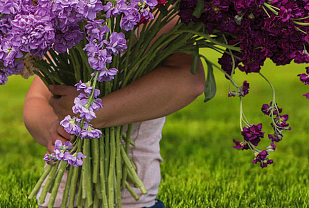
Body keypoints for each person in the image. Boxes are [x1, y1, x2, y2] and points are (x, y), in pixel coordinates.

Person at [23, 21, 206, 208]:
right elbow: (36, 99)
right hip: (59, 200)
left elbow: (191, 81)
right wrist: (52, 130)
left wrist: (92, 111)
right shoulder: (66, 15)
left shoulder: (159, 11)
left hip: (130, 201)